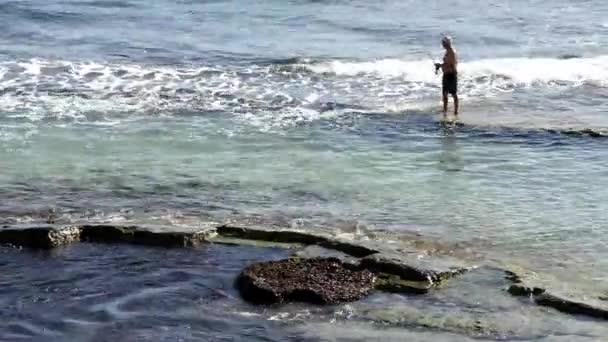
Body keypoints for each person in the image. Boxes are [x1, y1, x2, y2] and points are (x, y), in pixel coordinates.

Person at [435, 36, 459, 117]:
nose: (442, 44)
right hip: (446, 75)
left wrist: (440, 65)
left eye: (443, 43)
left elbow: (449, 64)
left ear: (447, 43)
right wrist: (440, 66)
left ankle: (456, 111)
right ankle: (445, 110)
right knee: (444, 94)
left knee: (453, 94)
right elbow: (446, 63)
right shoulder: (447, 51)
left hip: (451, 75)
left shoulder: (452, 52)